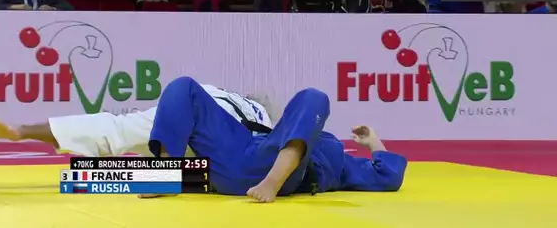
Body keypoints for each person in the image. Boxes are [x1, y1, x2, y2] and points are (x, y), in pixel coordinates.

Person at [145, 77, 407, 203]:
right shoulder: (264, 131)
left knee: (314, 96)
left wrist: (374, 142)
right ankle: (169, 173)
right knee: (183, 86)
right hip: (241, 151)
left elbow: (388, 176)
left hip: (282, 174)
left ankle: (272, 181)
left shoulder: (338, 157)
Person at [0, 84, 273, 157]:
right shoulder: (263, 114)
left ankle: (22, 130)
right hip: (228, 144)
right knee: (119, 130)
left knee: (117, 129)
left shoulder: (220, 91)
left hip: (191, 112)